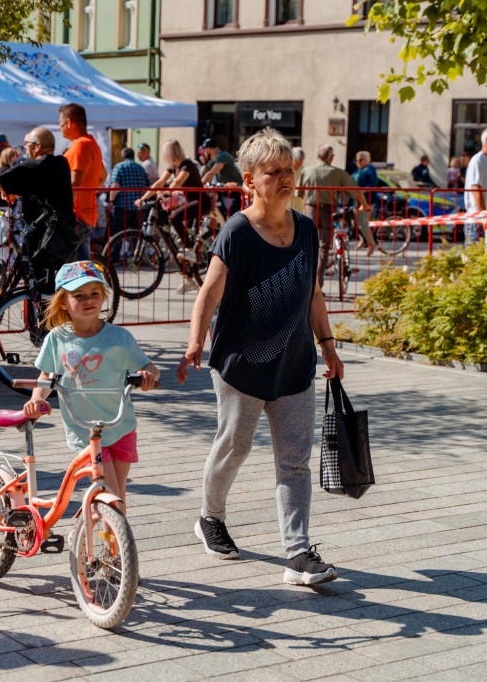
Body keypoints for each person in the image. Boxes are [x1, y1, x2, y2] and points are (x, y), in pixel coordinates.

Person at [177, 127, 344, 586]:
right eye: (275, 172)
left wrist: (328, 345)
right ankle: (210, 518)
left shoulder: (306, 229)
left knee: (295, 460)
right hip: (241, 366)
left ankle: (298, 553)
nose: (286, 179)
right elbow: (208, 293)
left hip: (294, 367)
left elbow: (311, 292)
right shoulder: (237, 232)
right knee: (235, 447)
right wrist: (194, 343)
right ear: (249, 180)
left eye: (289, 170)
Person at [22, 261, 159, 508]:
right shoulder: (57, 338)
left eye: (95, 293)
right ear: (63, 302)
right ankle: (113, 537)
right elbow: (47, 375)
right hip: (86, 431)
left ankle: (115, 544)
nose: (89, 300)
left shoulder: (119, 337)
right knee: (111, 492)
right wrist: (37, 398)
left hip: (120, 425)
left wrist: (147, 375)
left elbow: (148, 367)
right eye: (79, 295)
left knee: (119, 493)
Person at [0, 127, 77, 281]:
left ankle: (39, 304)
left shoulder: (30, 166)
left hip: (40, 237)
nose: (24, 147)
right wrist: (16, 190)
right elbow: (43, 187)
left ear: (38, 146)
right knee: (60, 280)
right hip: (64, 234)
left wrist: (8, 188)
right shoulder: (62, 163)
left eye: (26, 144)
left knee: (37, 280)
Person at [134, 140, 213, 294]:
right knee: (181, 240)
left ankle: (190, 250)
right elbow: (160, 181)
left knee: (175, 218)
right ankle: (189, 279)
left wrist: (164, 192)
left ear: (171, 153)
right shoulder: (174, 167)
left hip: (201, 202)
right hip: (191, 202)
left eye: (165, 153)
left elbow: (176, 183)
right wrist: (144, 198)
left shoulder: (187, 165)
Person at [297, 144, 368, 284]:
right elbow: (356, 190)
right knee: (324, 247)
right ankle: (318, 283)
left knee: (307, 245)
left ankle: (304, 283)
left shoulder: (307, 171)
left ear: (318, 157)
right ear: (331, 157)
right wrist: (364, 205)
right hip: (330, 211)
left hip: (311, 210)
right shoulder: (338, 173)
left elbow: (299, 193)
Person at [59, 104, 105, 261]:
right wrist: (88, 191)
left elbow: (74, 184)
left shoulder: (80, 145)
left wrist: (62, 210)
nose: (59, 127)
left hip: (75, 216)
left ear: (69, 123)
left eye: (60, 123)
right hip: (85, 214)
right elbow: (102, 176)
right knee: (81, 266)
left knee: (76, 270)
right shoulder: (91, 144)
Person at [200, 137, 244, 217]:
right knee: (215, 209)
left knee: (231, 211)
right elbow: (208, 175)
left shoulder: (223, 156)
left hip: (233, 188)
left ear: (209, 149)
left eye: (205, 149)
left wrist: (199, 185)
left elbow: (211, 174)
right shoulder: (212, 160)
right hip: (223, 188)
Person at [108, 147, 149, 232]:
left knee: (118, 234)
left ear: (122, 157)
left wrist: (111, 201)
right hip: (139, 206)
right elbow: (148, 185)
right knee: (137, 234)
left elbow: (115, 185)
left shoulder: (119, 167)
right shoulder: (140, 168)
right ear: (133, 157)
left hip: (123, 206)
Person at [464, 128, 487, 245]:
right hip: (477, 220)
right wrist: (483, 215)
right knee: (473, 257)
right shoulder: (478, 160)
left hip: (483, 219)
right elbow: (475, 189)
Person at [290, 147, 305, 212]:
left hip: (299, 204)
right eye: (296, 164)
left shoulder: (304, 170)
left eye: (300, 165)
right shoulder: (285, 170)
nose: (297, 167)